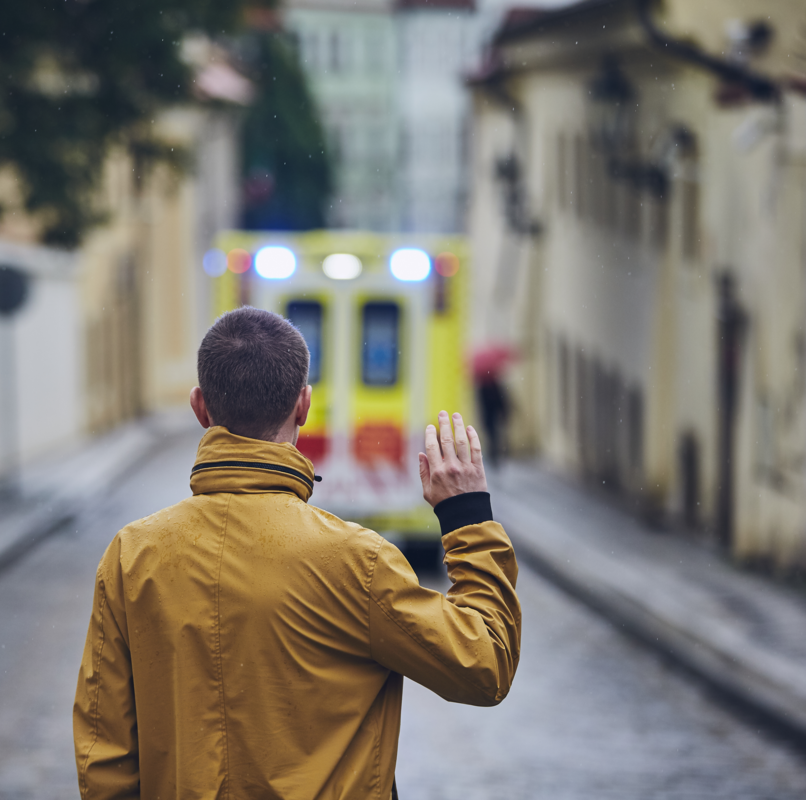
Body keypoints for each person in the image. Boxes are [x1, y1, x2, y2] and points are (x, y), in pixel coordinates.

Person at [73, 307, 522, 799]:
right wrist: (468, 516)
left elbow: (106, 756)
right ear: (303, 405)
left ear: (200, 407)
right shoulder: (356, 561)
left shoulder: (132, 554)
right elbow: (484, 665)